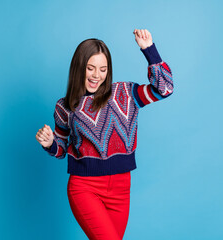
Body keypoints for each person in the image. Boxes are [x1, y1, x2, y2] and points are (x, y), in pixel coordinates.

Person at [35, 29, 174, 240]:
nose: (96, 75)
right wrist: (49, 143)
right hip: (85, 188)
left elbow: (164, 89)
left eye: (103, 69)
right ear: (79, 68)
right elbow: (61, 149)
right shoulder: (65, 106)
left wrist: (149, 51)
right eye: (90, 68)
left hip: (120, 189)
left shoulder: (126, 94)